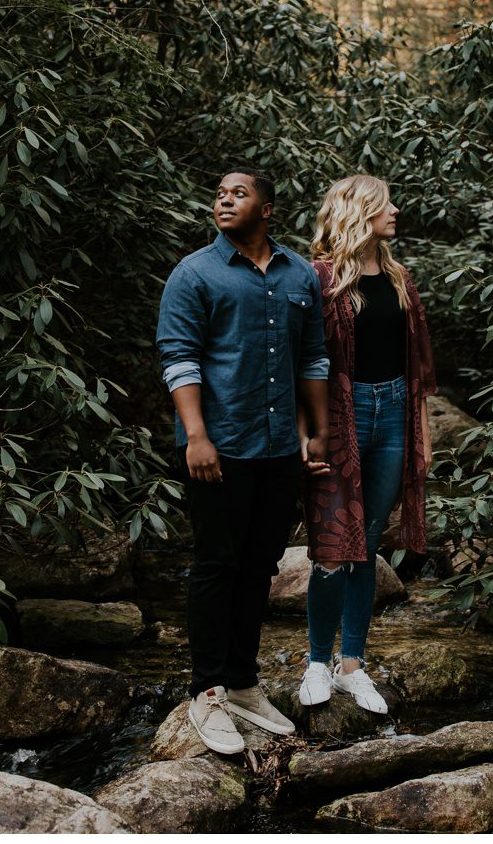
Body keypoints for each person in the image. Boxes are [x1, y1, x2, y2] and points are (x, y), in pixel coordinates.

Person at [155, 167, 333, 754]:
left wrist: (317, 433)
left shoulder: (298, 273)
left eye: (239, 193)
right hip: (220, 447)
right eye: (220, 193)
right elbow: (179, 357)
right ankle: (206, 691)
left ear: (267, 209)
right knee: (215, 566)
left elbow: (311, 357)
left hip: (280, 447)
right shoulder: (196, 273)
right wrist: (196, 436)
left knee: (260, 567)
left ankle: (242, 682)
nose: (225, 200)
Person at [300, 174, 437, 714]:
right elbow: (301, 362)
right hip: (342, 412)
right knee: (334, 545)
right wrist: (306, 433)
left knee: (368, 545)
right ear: (360, 210)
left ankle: (351, 665)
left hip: (394, 411)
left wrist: (423, 433)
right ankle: (315, 663)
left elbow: (418, 365)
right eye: (386, 204)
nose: (396, 210)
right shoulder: (319, 279)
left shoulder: (400, 277)